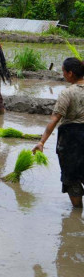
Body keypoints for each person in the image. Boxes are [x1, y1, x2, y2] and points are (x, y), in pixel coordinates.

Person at [33, 57, 84, 208]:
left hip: (72, 140)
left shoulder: (67, 93)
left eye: (63, 71)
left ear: (70, 73)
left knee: (72, 177)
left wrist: (42, 142)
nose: (62, 74)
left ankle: (76, 214)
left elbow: (54, 119)